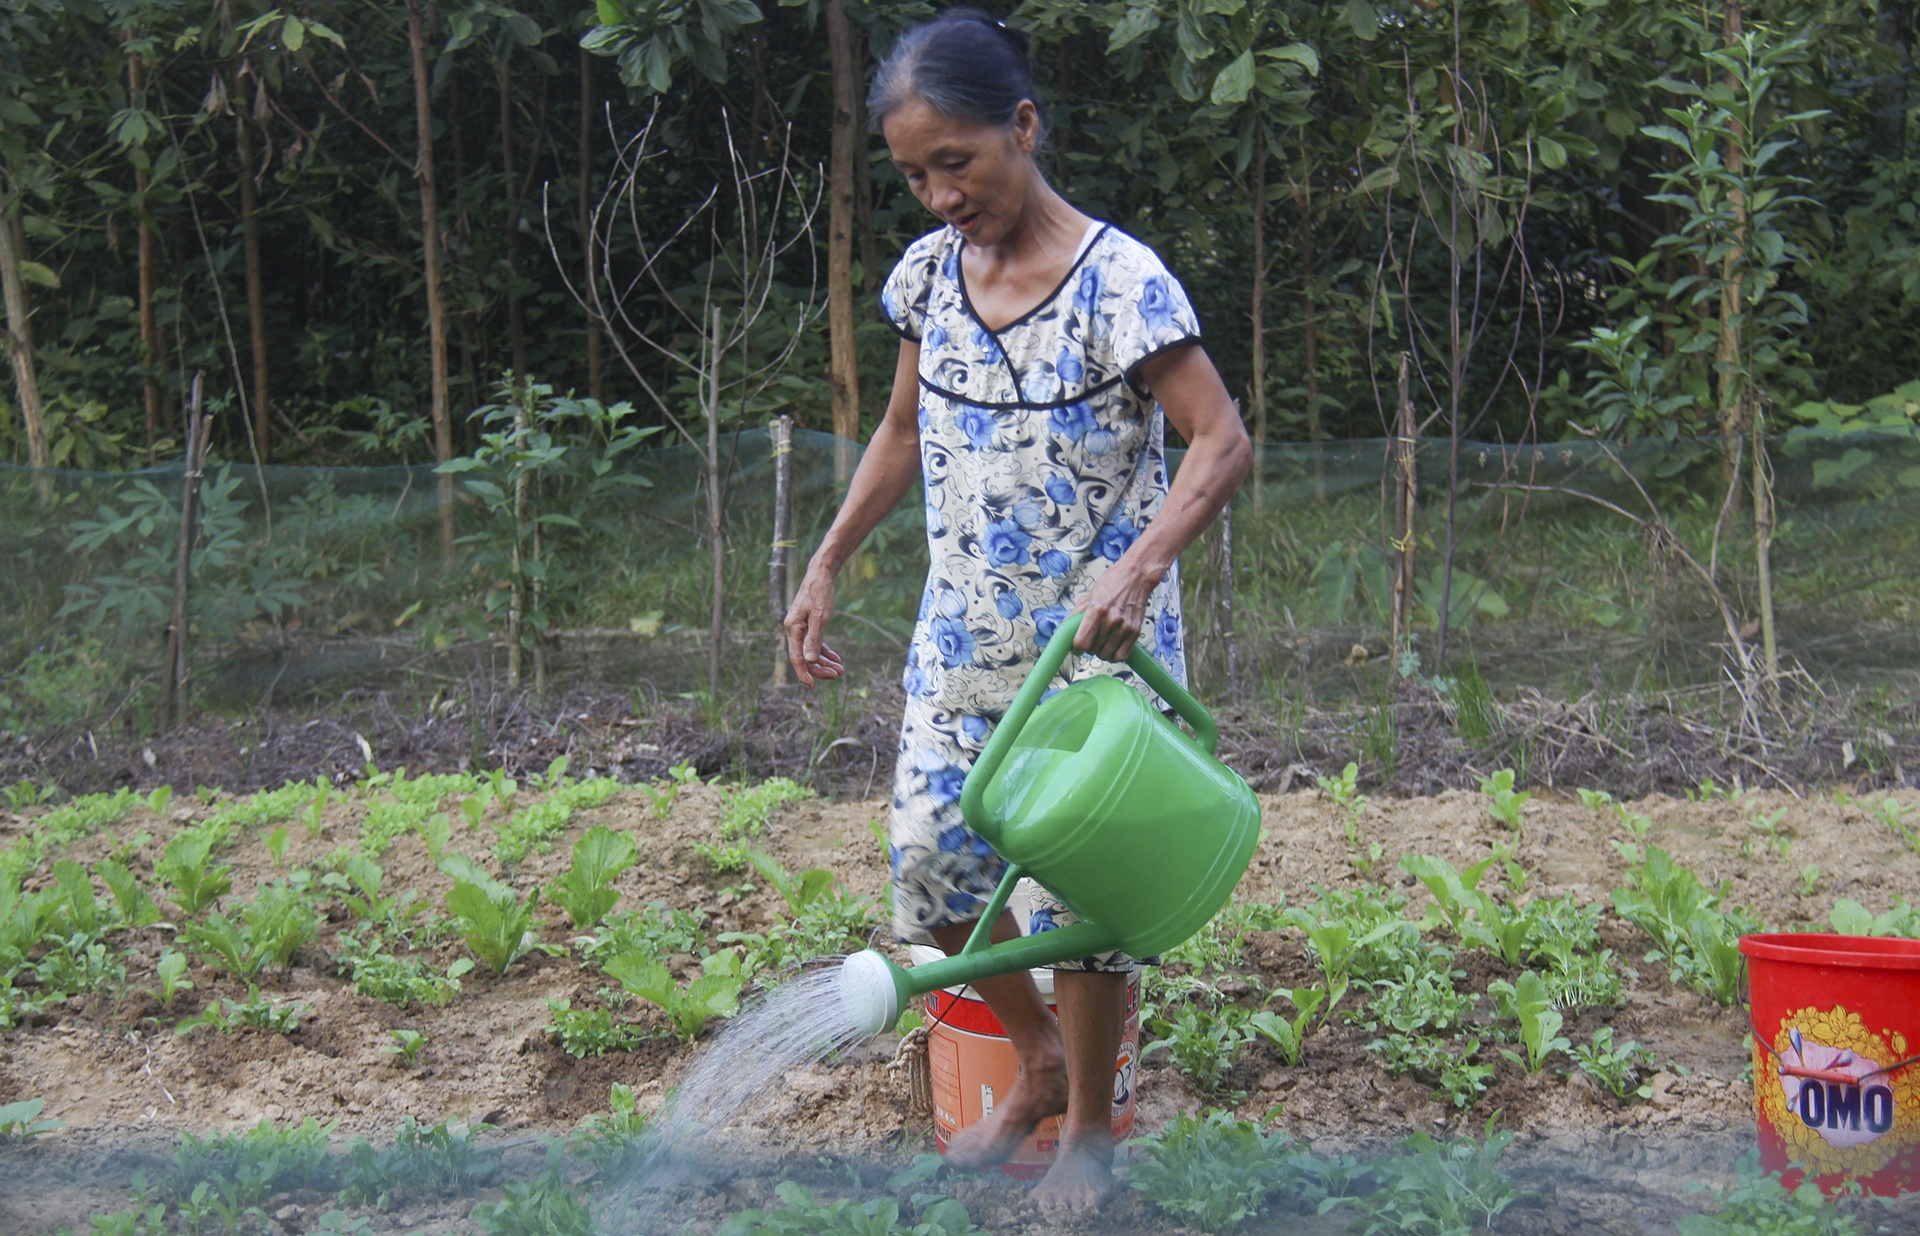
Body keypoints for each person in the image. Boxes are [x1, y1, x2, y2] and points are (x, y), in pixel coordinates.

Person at [782, 8, 1250, 1212]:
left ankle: (1090, 1129)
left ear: (1023, 128)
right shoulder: (927, 280)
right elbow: (902, 429)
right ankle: (1033, 1059)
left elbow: (1220, 438)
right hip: (963, 641)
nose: (940, 193)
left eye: (958, 162)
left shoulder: (1120, 283)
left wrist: (1138, 571)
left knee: (1082, 901)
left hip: (1091, 654)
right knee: (933, 872)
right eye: (914, 173)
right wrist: (830, 555)